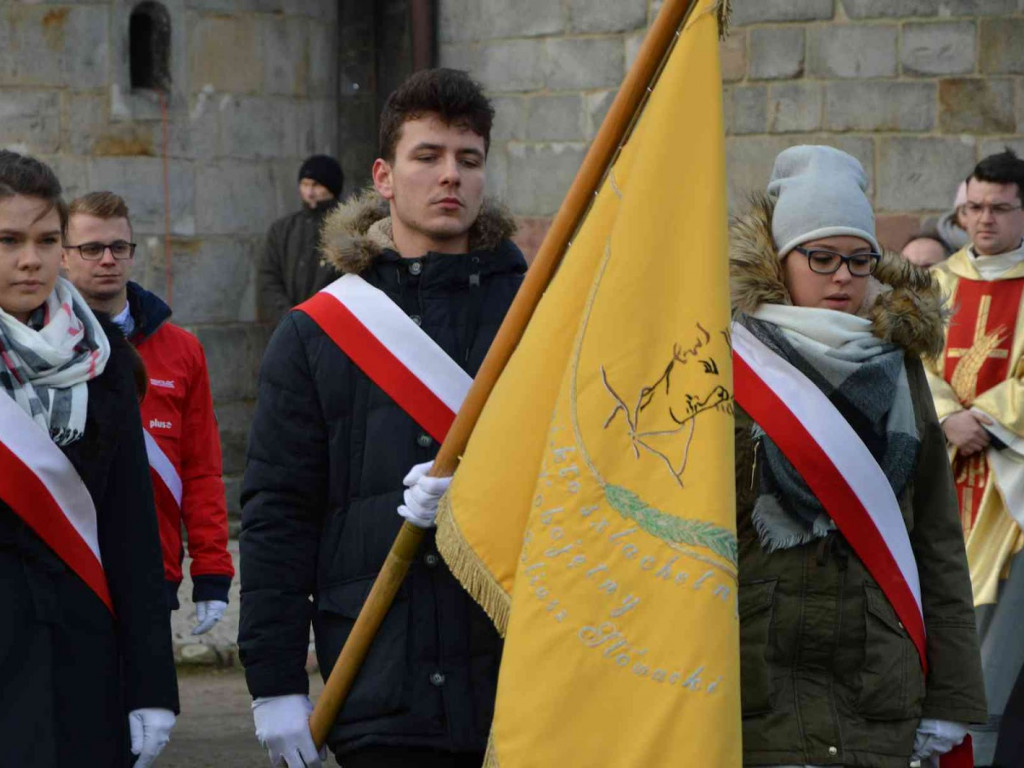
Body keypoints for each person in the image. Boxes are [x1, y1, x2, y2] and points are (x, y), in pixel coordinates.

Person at [239, 68, 527, 768]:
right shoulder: (316, 333)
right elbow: (278, 511)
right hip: (378, 681)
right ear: (385, 176)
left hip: (516, 676)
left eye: (468, 159)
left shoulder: (536, 317)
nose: (449, 176)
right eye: (426, 156)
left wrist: (492, 496)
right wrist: (274, 682)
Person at [731, 145, 986, 766]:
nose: (842, 275)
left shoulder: (900, 369)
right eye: (820, 257)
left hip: (876, 690)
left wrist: (952, 696)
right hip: (755, 687)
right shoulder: (730, 366)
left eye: (858, 258)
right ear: (780, 260)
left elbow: (937, 541)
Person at [0, 151, 178, 765]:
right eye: (8, 240)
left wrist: (153, 684)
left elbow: (132, 530)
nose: (31, 259)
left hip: (84, 661)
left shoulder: (107, 362)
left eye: (47, 240)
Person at [62, 191, 234, 633]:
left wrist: (212, 570)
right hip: (63, 565)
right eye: (91, 248)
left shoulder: (182, 350)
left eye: (119, 247)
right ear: (63, 257)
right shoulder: (38, 345)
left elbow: (201, 470)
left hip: (153, 569)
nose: (107, 260)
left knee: (150, 702)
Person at [924, 147, 1024, 764]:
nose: (984, 220)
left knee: (993, 654)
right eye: (974, 208)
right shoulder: (934, 283)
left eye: (1000, 209)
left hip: (1006, 496)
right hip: (937, 479)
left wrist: (983, 419)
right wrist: (945, 417)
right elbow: (907, 359)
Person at [258, 154, 345, 326]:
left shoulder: (347, 229)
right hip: (287, 328)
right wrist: (291, 320)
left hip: (331, 330)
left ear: (331, 188)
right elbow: (268, 280)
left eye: (316, 185)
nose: (309, 192)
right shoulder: (282, 229)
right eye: (305, 184)